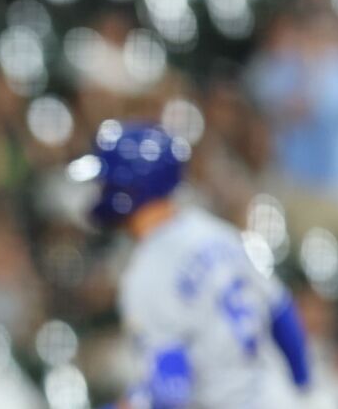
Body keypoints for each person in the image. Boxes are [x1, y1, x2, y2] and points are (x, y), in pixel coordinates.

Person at [70, 122, 311, 408]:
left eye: (106, 182)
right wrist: (303, 384)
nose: (101, 189)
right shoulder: (216, 232)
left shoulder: (146, 275)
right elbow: (282, 313)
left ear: (128, 187)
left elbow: (171, 395)